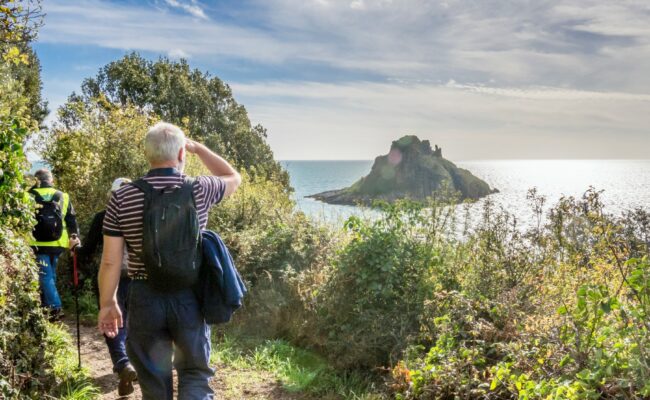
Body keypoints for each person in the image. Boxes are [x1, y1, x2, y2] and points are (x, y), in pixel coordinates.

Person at [97, 122, 241, 399]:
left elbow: (111, 262)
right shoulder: (201, 188)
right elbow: (232, 176)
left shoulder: (122, 197)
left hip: (144, 296)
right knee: (195, 373)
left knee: (153, 381)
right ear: (180, 154)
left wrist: (108, 303)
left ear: (147, 154)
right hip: (189, 296)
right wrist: (199, 149)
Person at [76, 177, 137, 396]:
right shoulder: (142, 214)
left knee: (112, 321)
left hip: (109, 277)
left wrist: (76, 248)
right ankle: (131, 363)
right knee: (131, 321)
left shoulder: (103, 217)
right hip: (137, 276)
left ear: (112, 195)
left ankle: (122, 363)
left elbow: (88, 251)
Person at [29, 168, 80, 321]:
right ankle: (47, 307)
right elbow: (71, 220)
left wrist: (32, 187)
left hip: (37, 243)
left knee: (45, 277)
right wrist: (74, 238)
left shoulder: (29, 195)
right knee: (50, 275)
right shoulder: (62, 196)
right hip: (58, 243)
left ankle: (55, 307)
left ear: (37, 180)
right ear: (51, 180)